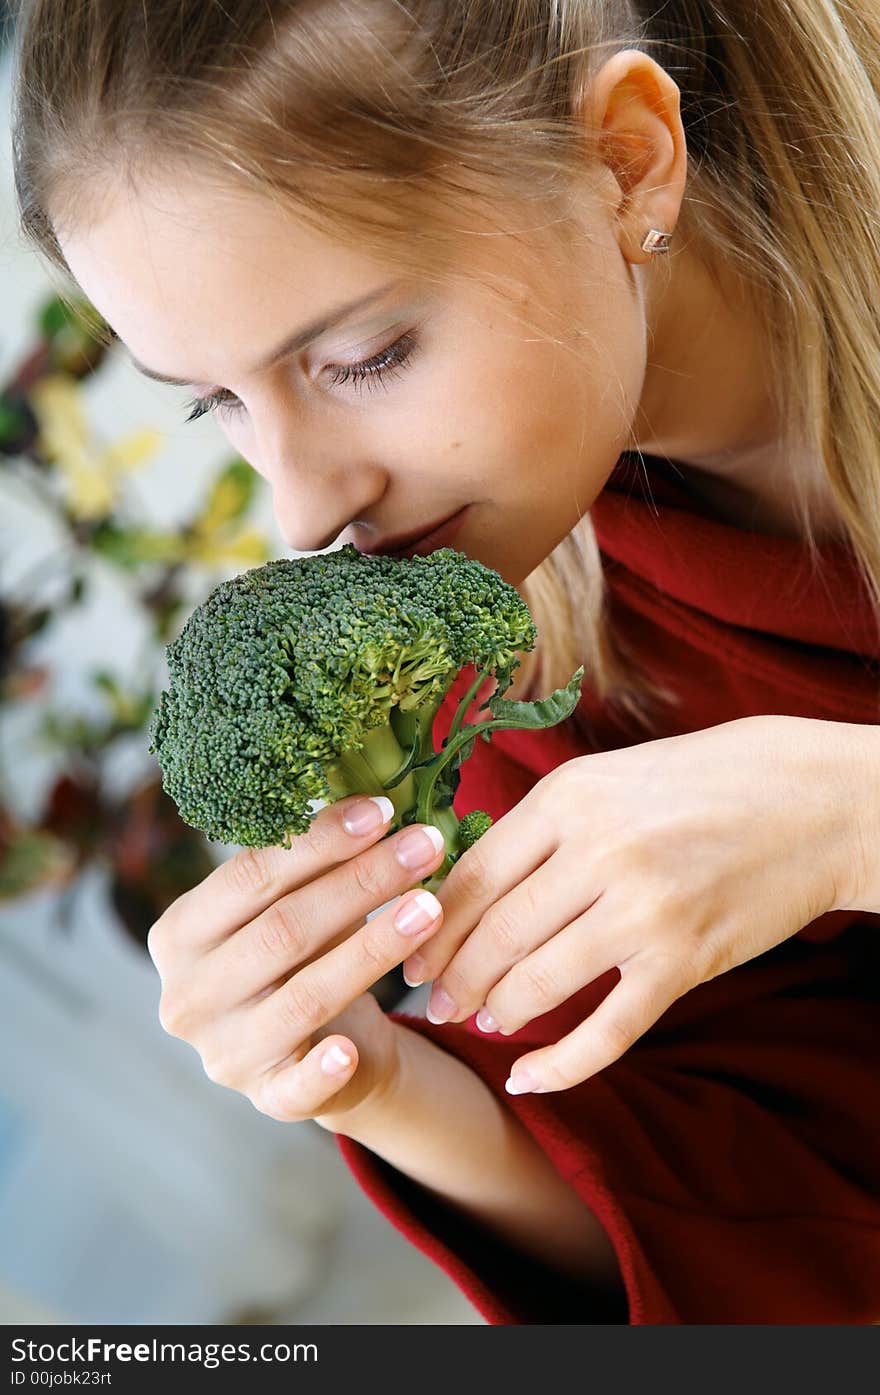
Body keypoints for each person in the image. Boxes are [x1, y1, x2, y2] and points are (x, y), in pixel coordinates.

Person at [10, 0, 880, 1323]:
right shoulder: (520, 676)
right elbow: (787, 1221)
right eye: (220, 403)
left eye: (365, 356)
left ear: (628, 159)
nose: (301, 511)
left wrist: (847, 817)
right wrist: (381, 1084)